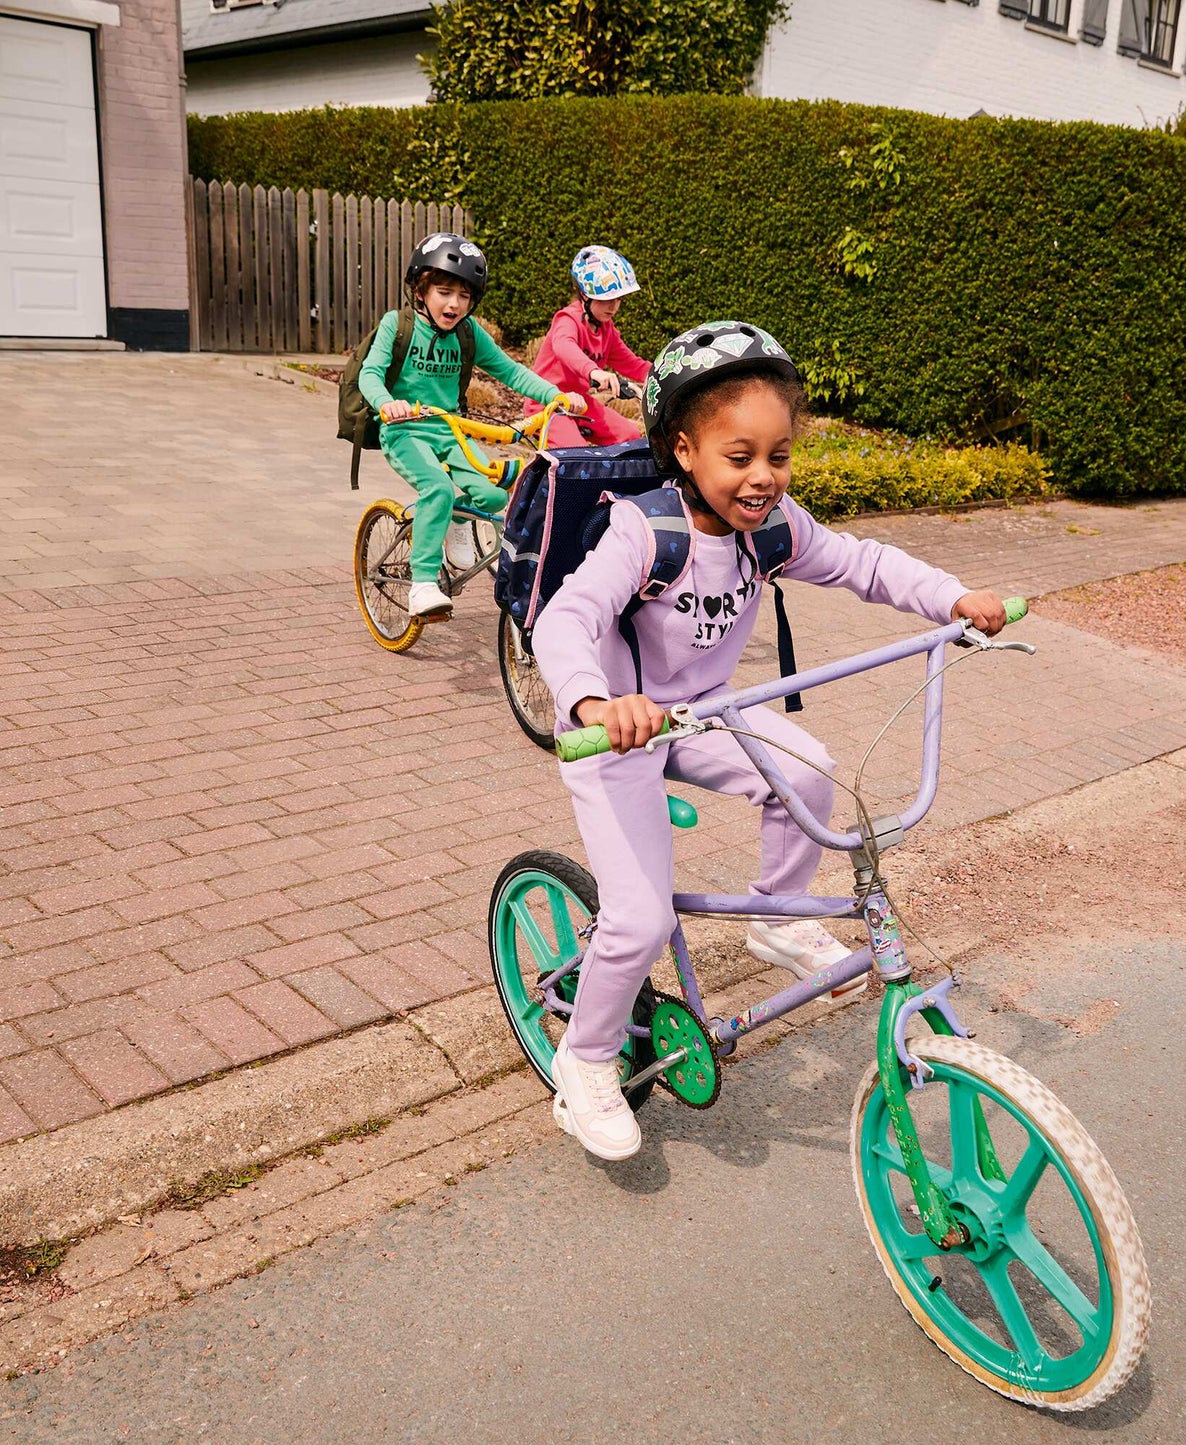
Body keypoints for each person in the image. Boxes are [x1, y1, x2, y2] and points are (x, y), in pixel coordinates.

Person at [531, 321, 1007, 1160]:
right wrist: (595, 704)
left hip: (712, 706)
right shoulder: (644, 533)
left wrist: (951, 598)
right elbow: (566, 618)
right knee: (639, 920)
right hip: (620, 734)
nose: (762, 477)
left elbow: (862, 562)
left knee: (811, 770)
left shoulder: (776, 527)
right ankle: (587, 1059)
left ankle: (777, 918)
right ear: (684, 451)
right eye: (738, 455)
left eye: (777, 455)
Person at [359, 232, 586, 619]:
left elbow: (511, 371)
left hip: (451, 431)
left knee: (494, 496)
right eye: (445, 292)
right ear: (420, 290)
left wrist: (554, 396)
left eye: (464, 296)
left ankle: (454, 524)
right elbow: (369, 374)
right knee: (437, 489)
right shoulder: (397, 325)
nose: (454, 304)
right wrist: (387, 403)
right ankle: (423, 584)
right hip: (404, 430)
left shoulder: (467, 333)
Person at [526, 245, 651, 450]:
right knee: (578, 454)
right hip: (548, 403)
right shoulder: (568, 318)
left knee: (631, 438)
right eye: (607, 299)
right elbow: (564, 346)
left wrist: (662, 375)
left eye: (618, 299)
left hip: (579, 404)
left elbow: (632, 364)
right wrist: (594, 371)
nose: (614, 306)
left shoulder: (606, 329)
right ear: (584, 294)